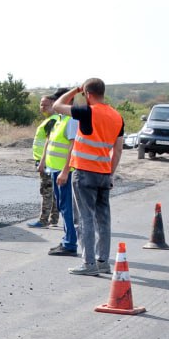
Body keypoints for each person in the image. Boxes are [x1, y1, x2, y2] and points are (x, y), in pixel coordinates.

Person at [53, 79, 124, 276]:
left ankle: (88, 263)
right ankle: (103, 261)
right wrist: (110, 173)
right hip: (103, 174)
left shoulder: (87, 111)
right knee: (103, 220)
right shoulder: (117, 117)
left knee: (84, 219)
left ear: (87, 93)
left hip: (84, 173)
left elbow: (57, 106)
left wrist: (74, 91)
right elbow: (118, 150)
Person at [41, 88, 79, 260]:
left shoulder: (71, 120)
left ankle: (70, 243)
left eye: (59, 100)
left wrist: (65, 171)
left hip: (65, 172)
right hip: (56, 171)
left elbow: (73, 147)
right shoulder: (60, 120)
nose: (55, 104)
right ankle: (66, 241)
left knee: (66, 207)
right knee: (63, 207)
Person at [27, 94, 60, 228]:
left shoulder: (52, 120)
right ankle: (53, 218)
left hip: (46, 161)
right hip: (48, 160)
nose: (42, 107)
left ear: (53, 104)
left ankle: (43, 220)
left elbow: (49, 142)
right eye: (41, 104)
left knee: (46, 191)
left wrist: (42, 161)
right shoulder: (53, 119)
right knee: (52, 191)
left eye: (45, 104)